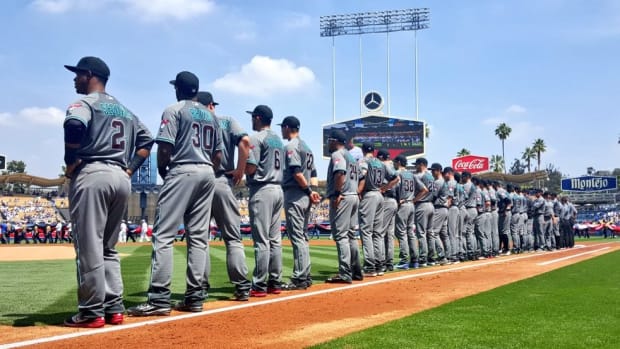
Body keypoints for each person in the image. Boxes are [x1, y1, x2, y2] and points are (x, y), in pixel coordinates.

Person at [62, 56, 154, 327]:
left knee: (89, 247)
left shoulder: (84, 103)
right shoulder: (125, 110)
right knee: (108, 248)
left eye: (78, 74)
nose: (75, 78)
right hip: (120, 178)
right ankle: (114, 307)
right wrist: (130, 168)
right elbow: (147, 140)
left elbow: (74, 125)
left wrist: (70, 161)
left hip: (93, 174)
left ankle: (91, 311)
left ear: (90, 74)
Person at [127, 71, 221, 316]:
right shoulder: (212, 117)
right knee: (199, 237)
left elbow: (165, 147)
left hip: (183, 169)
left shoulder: (174, 109)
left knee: (164, 234)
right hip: (208, 172)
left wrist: (164, 170)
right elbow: (219, 156)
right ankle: (195, 297)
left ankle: (159, 299)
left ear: (178, 89)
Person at [196, 91, 252, 301]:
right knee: (233, 238)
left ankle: (199, 289)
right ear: (211, 105)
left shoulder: (192, 120)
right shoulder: (227, 120)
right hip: (221, 181)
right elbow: (244, 143)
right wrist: (240, 170)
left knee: (200, 239)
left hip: (198, 182)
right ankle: (241, 286)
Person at [245, 105, 284, 297]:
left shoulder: (256, 138)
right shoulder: (278, 139)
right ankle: (275, 281)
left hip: (262, 189)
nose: (252, 120)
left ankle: (259, 284)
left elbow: (251, 168)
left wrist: (240, 167)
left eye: (253, 117)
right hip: (278, 188)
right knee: (274, 239)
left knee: (261, 240)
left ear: (258, 118)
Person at [279, 116, 321, 291]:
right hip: (305, 195)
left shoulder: (291, 146)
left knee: (297, 237)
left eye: (283, 127)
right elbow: (314, 173)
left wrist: (309, 192)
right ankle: (306, 275)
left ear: (288, 127)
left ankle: (300, 277)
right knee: (302, 236)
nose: (282, 130)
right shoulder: (308, 147)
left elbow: (296, 172)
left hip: (296, 194)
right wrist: (314, 192)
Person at [324, 130, 363, 284]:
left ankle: (345, 273)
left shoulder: (337, 154)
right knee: (351, 235)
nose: (328, 143)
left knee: (341, 236)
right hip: (353, 196)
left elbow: (340, 173)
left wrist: (337, 193)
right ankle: (356, 271)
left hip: (344, 197)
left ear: (335, 141)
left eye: (329, 140)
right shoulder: (352, 157)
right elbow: (362, 178)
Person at [357, 143, 398, 276]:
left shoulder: (363, 161)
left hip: (369, 195)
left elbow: (362, 178)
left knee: (366, 231)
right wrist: (384, 188)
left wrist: (358, 193)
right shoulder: (381, 163)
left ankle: (370, 266)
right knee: (378, 233)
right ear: (374, 151)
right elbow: (396, 178)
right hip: (380, 196)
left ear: (363, 150)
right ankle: (380, 265)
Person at [393, 155, 424, 269]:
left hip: (403, 204)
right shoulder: (412, 175)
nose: (394, 164)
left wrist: (398, 200)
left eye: (395, 162)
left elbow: (394, 189)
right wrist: (414, 200)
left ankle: (404, 260)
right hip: (411, 204)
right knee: (410, 233)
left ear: (399, 162)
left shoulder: (398, 173)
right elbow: (424, 189)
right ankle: (414, 260)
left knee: (401, 233)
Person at [377, 149, 398, 272]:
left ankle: (381, 263)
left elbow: (396, 179)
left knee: (380, 232)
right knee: (389, 234)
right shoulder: (391, 166)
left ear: (380, 157)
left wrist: (384, 188)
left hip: (387, 199)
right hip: (394, 201)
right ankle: (389, 263)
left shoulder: (383, 165)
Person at [413, 158, 435, 267]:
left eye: (416, 164)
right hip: (431, 205)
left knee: (421, 233)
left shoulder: (420, 176)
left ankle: (423, 259)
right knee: (430, 233)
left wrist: (414, 200)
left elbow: (424, 190)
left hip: (422, 204)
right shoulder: (431, 176)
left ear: (421, 164)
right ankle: (431, 258)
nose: (415, 166)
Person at [429, 163, 449, 265]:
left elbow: (432, 196)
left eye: (433, 170)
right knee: (443, 234)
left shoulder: (438, 182)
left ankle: (441, 256)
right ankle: (447, 255)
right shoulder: (443, 182)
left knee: (433, 233)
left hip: (439, 208)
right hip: (444, 209)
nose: (431, 172)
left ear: (438, 170)